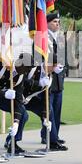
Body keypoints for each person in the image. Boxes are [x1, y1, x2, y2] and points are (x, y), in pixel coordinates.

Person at [0, 55, 31, 154]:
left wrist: (16, 121)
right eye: (27, 68)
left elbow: (17, 99)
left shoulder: (21, 76)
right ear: (20, 63)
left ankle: (12, 142)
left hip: (0, 98)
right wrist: (1, 93)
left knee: (23, 114)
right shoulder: (0, 64)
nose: (27, 71)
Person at [22, 59, 68, 151]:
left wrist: (45, 114)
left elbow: (46, 96)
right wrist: (38, 84)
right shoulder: (34, 68)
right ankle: (11, 141)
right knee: (22, 116)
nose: (54, 69)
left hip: (31, 100)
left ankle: (53, 142)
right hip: (20, 97)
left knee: (48, 110)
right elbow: (23, 81)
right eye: (54, 66)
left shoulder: (49, 76)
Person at [46, 13, 66, 144]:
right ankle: (49, 137)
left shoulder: (59, 38)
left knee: (57, 110)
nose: (57, 24)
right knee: (49, 111)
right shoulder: (43, 37)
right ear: (47, 23)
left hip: (59, 79)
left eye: (58, 22)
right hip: (49, 78)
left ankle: (55, 135)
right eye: (54, 21)